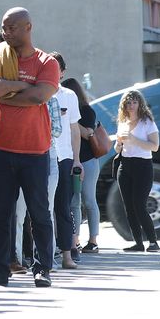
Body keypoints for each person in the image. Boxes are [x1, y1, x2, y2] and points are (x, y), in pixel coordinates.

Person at [0, 8, 60, 289]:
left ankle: (42, 267)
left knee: (39, 212)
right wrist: (18, 86)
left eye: (12, 28)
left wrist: (5, 92)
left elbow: (39, 95)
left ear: (28, 27)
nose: (7, 33)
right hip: (2, 148)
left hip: (35, 151)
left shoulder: (46, 62)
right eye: (4, 27)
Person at [115, 89, 160, 252]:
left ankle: (153, 241)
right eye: (128, 102)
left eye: (135, 102)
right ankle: (138, 242)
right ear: (124, 105)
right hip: (125, 164)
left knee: (139, 204)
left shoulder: (147, 122)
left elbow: (154, 146)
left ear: (140, 104)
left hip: (143, 165)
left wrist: (134, 139)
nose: (132, 106)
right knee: (128, 206)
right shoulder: (123, 122)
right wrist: (119, 143)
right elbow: (117, 148)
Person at [49, 52, 82, 270]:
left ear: (62, 72)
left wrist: (77, 159)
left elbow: (74, 129)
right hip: (43, 154)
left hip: (65, 157)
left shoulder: (69, 95)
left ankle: (67, 255)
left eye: (56, 69)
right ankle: (45, 254)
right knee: (42, 207)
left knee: (63, 207)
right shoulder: (38, 92)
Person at [64, 77, 102, 253]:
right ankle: (75, 239)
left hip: (88, 160)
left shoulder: (87, 111)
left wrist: (71, 120)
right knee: (74, 202)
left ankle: (93, 240)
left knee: (89, 200)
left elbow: (88, 134)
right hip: (71, 160)